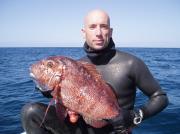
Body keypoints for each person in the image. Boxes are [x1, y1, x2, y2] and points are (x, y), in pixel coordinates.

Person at [21, 9, 168, 134]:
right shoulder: (78, 66)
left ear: (110, 31)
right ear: (83, 32)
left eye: (103, 26)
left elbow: (160, 97)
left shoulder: (131, 63)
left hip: (116, 131)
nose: (98, 32)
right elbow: (68, 103)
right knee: (31, 112)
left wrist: (135, 115)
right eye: (92, 27)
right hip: (81, 129)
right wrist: (47, 89)